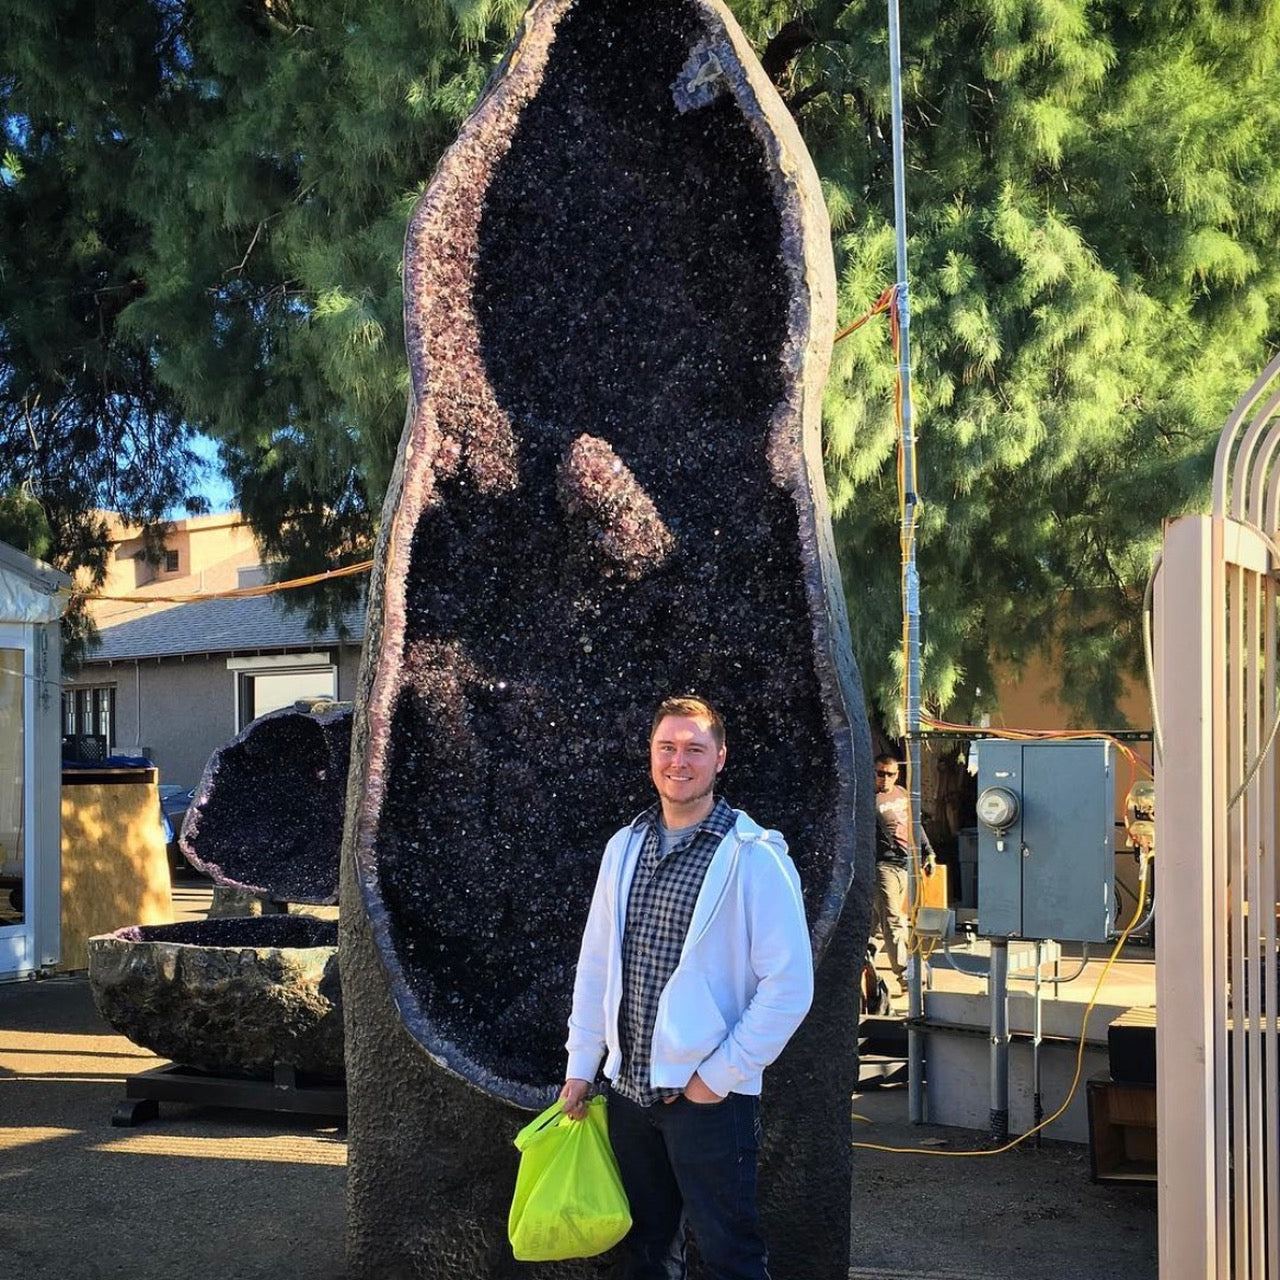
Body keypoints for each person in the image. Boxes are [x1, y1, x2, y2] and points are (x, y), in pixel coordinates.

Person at [560, 695, 813, 1280]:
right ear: (651, 755)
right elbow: (596, 965)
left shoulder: (754, 857)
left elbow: (789, 986)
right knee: (644, 1255)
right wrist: (582, 1065)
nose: (679, 761)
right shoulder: (624, 847)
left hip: (708, 1101)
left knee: (731, 1256)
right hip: (628, 1095)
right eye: (667, 747)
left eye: (695, 749)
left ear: (720, 758)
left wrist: (716, 1078)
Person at [872, 752, 934, 997]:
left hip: (904, 864)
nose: (885, 779)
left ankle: (863, 963)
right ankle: (907, 975)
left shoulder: (901, 794)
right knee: (893, 920)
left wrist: (928, 852)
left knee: (875, 922)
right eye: (880, 774)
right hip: (882, 866)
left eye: (890, 774)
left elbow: (914, 825)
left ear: (897, 774)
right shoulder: (868, 799)